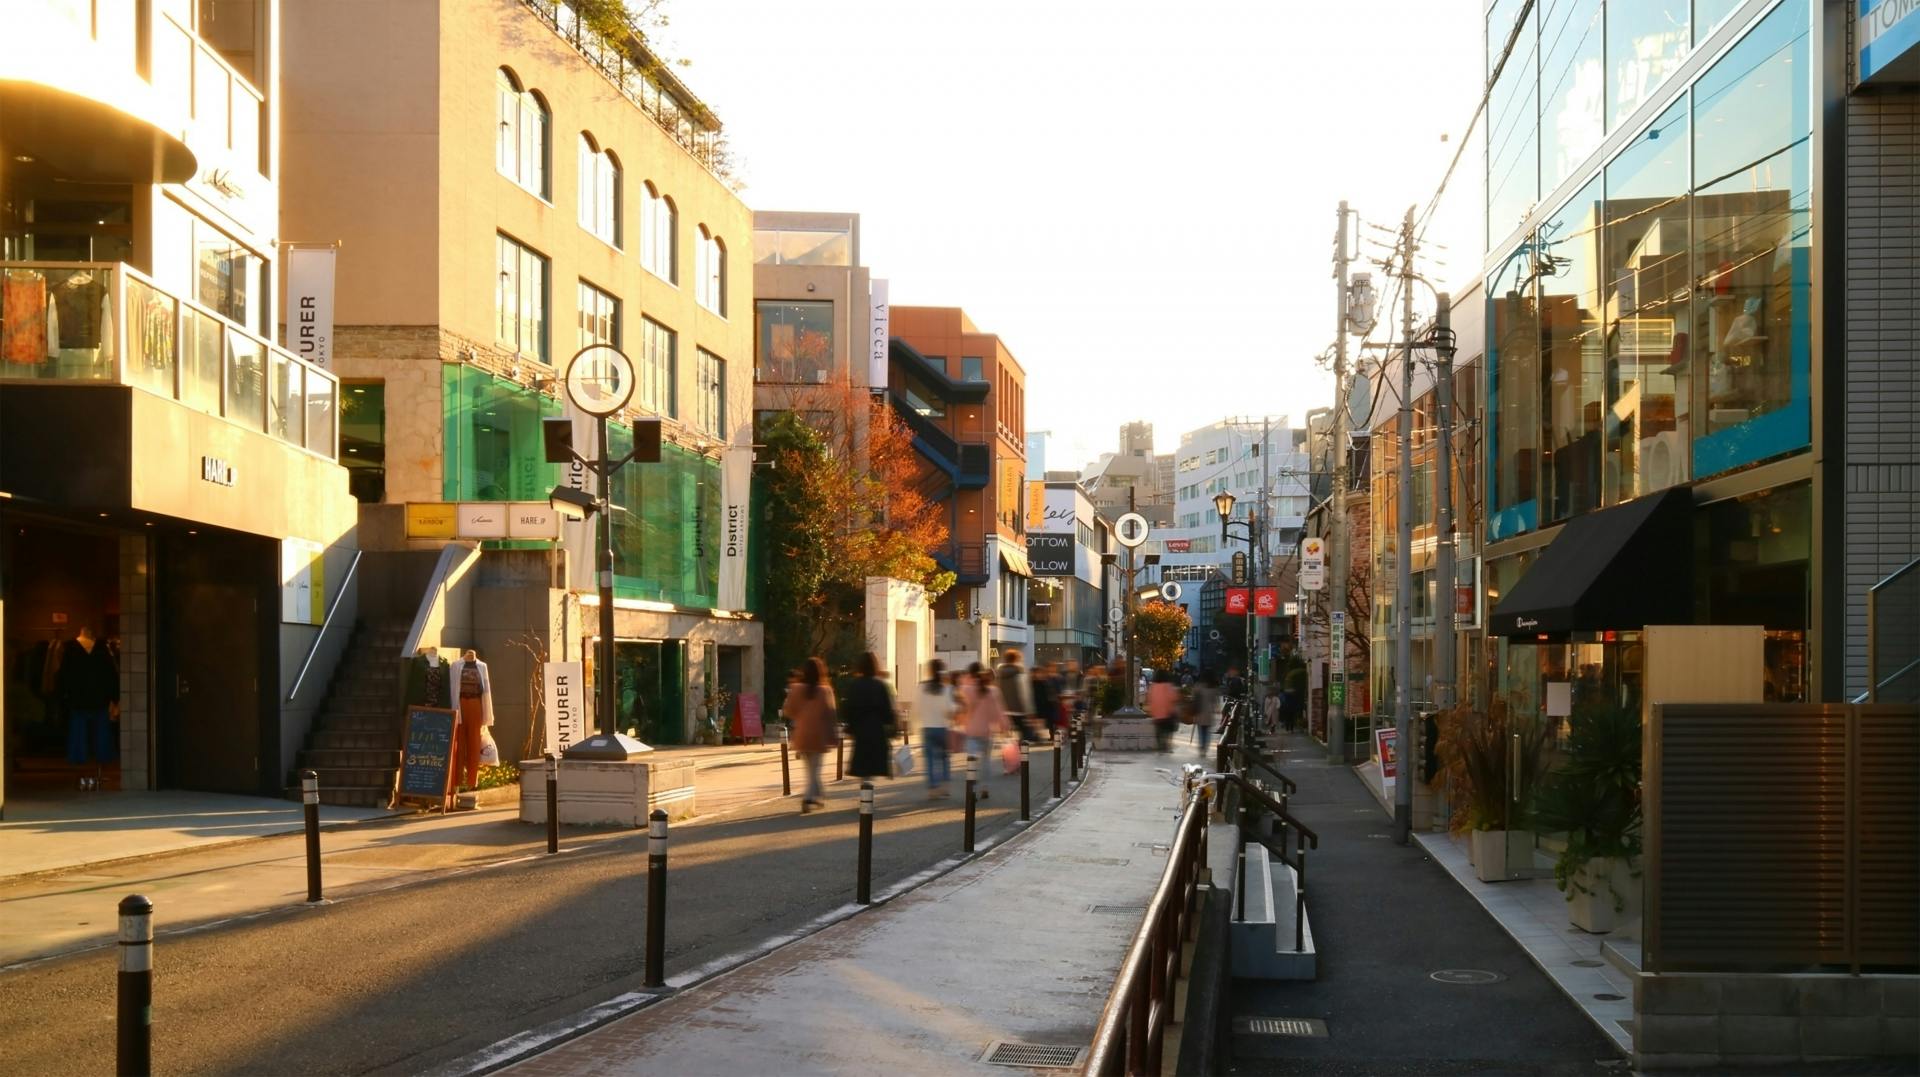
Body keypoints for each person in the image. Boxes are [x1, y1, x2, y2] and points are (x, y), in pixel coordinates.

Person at [58, 625, 118, 781]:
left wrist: (64, 695)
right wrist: (114, 697)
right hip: (98, 697)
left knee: (79, 731)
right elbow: (110, 674)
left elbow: (64, 674)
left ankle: (79, 759)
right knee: (101, 732)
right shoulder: (101, 649)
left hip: (79, 697)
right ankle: (101, 758)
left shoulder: (71, 648)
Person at [783, 657, 838, 812]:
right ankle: (809, 797)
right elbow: (831, 714)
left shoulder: (796, 688)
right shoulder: (825, 690)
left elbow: (788, 711)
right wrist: (833, 735)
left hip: (802, 734)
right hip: (819, 735)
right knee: (815, 768)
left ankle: (817, 795)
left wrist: (801, 716)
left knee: (810, 769)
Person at [843, 651, 896, 782]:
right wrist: (891, 727)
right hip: (877, 731)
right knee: (873, 768)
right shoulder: (880, 685)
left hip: (860, 732)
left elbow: (848, 709)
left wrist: (850, 728)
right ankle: (868, 792)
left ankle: (865, 791)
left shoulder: (854, 685)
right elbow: (888, 712)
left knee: (863, 769)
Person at [448, 649, 495, 791]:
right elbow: (452, 688)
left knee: (474, 742)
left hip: (476, 704)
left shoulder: (482, 666)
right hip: (460, 704)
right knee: (459, 742)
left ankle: (472, 781)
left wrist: (487, 714)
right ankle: (457, 780)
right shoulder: (456, 665)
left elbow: (486, 690)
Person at [963, 662, 1009, 799]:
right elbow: (999, 711)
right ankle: (985, 787)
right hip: (987, 732)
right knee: (986, 760)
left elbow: (960, 709)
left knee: (972, 761)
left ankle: (972, 789)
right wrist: (1004, 725)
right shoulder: (993, 691)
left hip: (971, 731)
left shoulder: (966, 689)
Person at [915, 659, 954, 797]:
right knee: (944, 757)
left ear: (929, 671)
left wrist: (914, 724)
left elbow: (917, 708)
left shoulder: (922, 687)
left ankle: (933, 788)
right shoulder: (946, 688)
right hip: (943, 727)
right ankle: (945, 786)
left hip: (927, 727)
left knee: (930, 759)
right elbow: (950, 709)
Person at [996, 648, 1034, 743]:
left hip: (1004, 709)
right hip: (1018, 710)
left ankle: (1009, 750)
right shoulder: (1020, 673)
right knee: (1025, 736)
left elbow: (998, 691)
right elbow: (1025, 694)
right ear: (1016, 659)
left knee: (1007, 737)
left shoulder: (1000, 673)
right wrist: (1030, 710)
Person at [1146, 668, 1180, 752]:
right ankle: (1166, 745)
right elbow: (1173, 698)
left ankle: (1160, 745)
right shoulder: (1168, 686)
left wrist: (1151, 710)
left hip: (1156, 714)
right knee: (1168, 731)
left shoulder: (1153, 686)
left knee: (1159, 730)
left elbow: (1149, 699)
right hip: (1167, 713)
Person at [1191, 670, 1221, 754]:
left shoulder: (1198, 686)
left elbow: (1194, 697)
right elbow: (1216, 701)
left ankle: (1202, 746)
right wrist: (1217, 709)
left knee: (1201, 731)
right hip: (1209, 712)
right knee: (1207, 731)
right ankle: (1205, 747)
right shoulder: (1213, 688)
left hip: (1199, 711)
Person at [1030, 661, 1059, 744]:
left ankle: (1051, 735)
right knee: (1038, 721)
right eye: (1035, 673)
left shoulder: (1045, 682)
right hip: (1037, 704)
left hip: (1047, 704)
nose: (1037, 675)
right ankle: (1038, 735)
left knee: (1049, 722)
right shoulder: (1033, 683)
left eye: (1038, 673)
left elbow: (1050, 693)